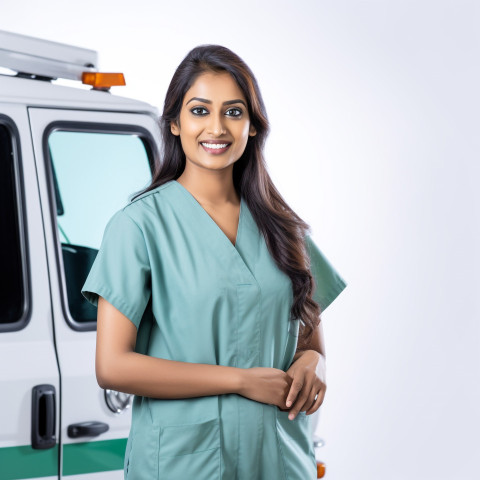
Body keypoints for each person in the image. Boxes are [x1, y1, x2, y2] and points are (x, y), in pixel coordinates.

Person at [81, 44, 347, 480]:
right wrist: (240, 381)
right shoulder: (138, 227)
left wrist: (312, 365)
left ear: (253, 127)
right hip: (186, 463)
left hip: (278, 459)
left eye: (234, 112)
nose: (217, 127)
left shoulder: (286, 230)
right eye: (200, 110)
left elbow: (312, 345)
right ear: (175, 122)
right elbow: (112, 366)